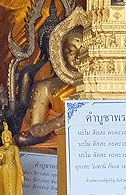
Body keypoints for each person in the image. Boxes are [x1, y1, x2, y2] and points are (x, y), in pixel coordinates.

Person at [18, 9, 85, 152]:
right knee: (22, 139)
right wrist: (60, 121)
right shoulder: (45, 87)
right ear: (59, 52)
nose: (78, 57)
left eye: (84, 50)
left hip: (90, 142)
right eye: (72, 50)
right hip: (55, 141)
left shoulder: (101, 85)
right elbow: (34, 130)